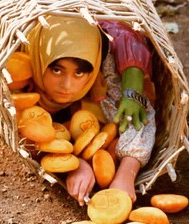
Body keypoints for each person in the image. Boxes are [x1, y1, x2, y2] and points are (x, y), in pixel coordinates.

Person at [21, 15, 156, 205]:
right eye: (57, 70)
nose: (66, 85)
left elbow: (140, 119)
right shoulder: (20, 82)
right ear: (40, 59)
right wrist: (74, 165)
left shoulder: (103, 79)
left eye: (79, 73)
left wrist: (126, 175)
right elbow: (28, 137)